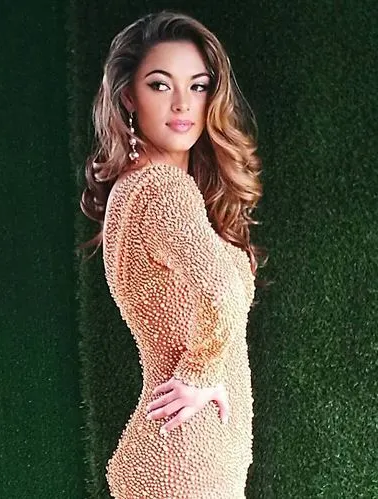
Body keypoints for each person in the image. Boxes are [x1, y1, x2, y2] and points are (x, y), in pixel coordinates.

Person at [77, 9, 268, 498]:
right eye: (160, 85)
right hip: (187, 460)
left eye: (198, 86)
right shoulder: (162, 190)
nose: (183, 103)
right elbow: (222, 292)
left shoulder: (135, 189)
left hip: (181, 453)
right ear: (128, 97)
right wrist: (201, 371)